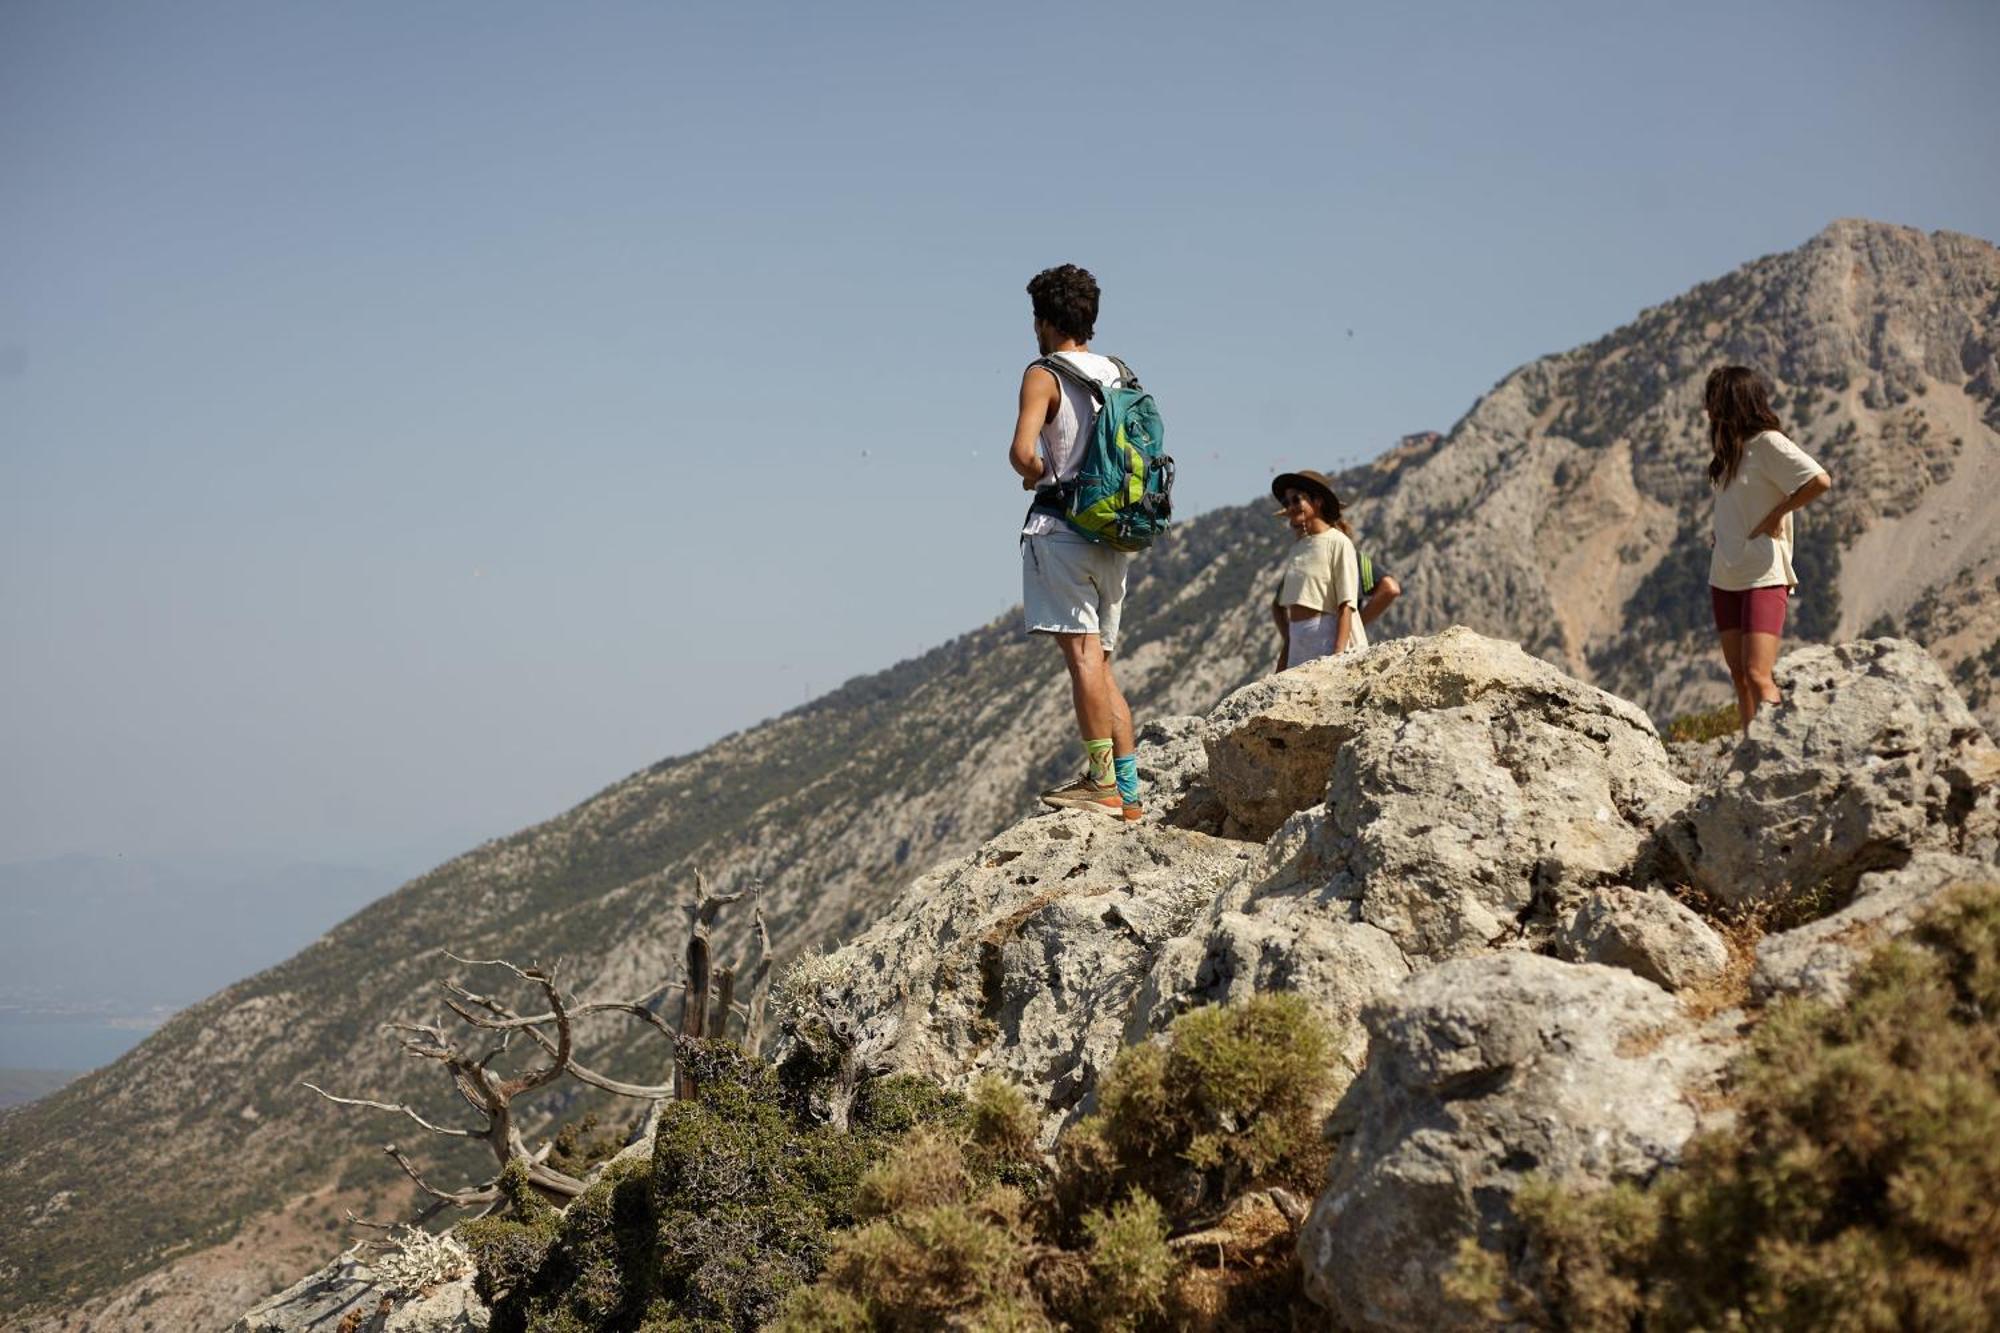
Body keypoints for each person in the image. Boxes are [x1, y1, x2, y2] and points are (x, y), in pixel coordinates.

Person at [1007, 264, 1144, 821]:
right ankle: (1130, 793)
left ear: (1043, 320)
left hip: (1063, 530)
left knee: (1083, 659)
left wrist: (1036, 470)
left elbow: (1022, 453)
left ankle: (1102, 780)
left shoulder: (1044, 373)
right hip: (1114, 534)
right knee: (1102, 664)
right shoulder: (1120, 373)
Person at [1704, 364, 1833, 730]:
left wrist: (1778, 513)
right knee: (1739, 677)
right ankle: (1750, 754)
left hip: (1764, 573)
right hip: (1724, 574)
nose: (1708, 410)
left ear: (1731, 401)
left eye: (1714, 400)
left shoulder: (1769, 443)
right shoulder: (1729, 453)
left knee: (1759, 674)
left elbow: (1819, 480)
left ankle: (1778, 747)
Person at [1269, 469, 1369, 672]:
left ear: (1318, 501)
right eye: (1286, 503)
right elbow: (1291, 614)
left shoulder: (1338, 543)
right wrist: (1281, 667)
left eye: (1296, 500)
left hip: (1327, 640)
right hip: (1299, 644)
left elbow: (1346, 605)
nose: (1290, 507)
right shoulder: (1297, 548)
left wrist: (1338, 657)